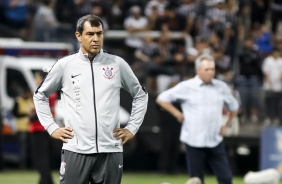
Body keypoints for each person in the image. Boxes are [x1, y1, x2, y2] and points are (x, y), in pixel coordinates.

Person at [33, 14, 148, 184]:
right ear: (78, 36)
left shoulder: (117, 64)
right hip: (76, 150)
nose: (96, 38)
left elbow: (141, 94)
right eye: (90, 34)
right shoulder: (65, 65)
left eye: (99, 34)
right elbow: (40, 95)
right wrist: (51, 127)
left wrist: (132, 127)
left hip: (110, 150)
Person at [156, 54, 239, 184]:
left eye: (212, 69)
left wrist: (227, 125)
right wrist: (177, 114)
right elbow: (161, 99)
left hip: (215, 139)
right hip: (194, 139)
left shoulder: (221, 87)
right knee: (196, 180)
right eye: (207, 69)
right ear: (198, 70)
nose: (210, 72)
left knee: (226, 178)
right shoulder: (186, 86)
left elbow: (234, 106)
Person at [29, 71, 57, 184]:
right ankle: (46, 180)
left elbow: (44, 110)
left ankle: (45, 181)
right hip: (43, 129)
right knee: (42, 158)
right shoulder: (50, 91)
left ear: (41, 78)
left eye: (36, 77)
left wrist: (31, 117)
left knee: (42, 158)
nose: (35, 80)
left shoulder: (45, 91)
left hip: (41, 128)